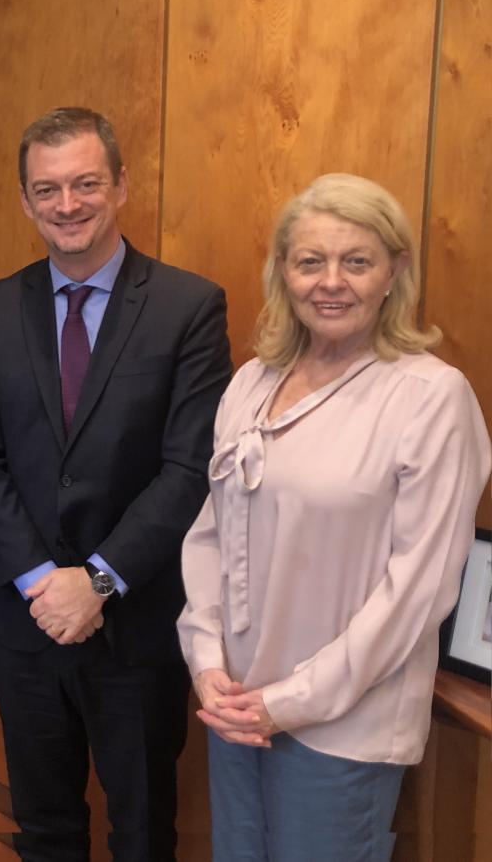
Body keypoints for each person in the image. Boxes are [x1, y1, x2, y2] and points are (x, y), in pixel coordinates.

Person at [178, 172, 491, 861]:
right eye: (310, 260)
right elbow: (209, 534)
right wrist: (208, 665)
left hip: (342, 727)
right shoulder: (251, 381)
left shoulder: (430, 399)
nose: (331, 282)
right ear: (283, 272)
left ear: (394, 273)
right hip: (234, 706)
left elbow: (417, 594)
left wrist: (288, 702)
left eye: (357, 261)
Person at [0, 107, 231, 861]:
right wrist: (46, 582)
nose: (67, 205)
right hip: (27, 620)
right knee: (44, 826)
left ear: (120, 185)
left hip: (136, 622)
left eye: (85, 184)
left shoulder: (188, 307)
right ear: (25, 200)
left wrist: (99, 581)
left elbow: (190, 467)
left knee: (141, 827)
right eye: (47, 189)